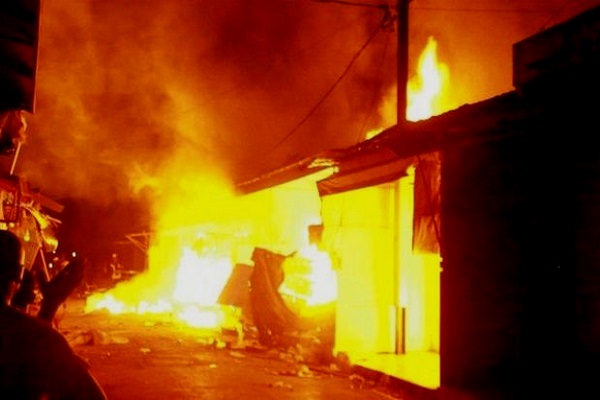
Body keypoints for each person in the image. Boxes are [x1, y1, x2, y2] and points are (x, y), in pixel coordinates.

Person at [0, 229, 107, 399]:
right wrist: (50, 305)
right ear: (19, 273)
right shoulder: (39, 339)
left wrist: (48, 310)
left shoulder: (34, 338)